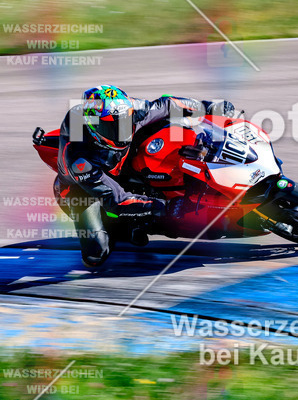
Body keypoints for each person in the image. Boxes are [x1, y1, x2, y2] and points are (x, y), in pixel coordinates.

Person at [53, 85, 235, 267]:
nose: (121, 130)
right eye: (112, 127)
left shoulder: (131, 110)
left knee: (169, 124)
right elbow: (117, 200)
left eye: (123, 121)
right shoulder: (79, 159)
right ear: (92, 125)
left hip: (117, 161)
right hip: (81, 187)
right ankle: (122, 226)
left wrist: (210, 107)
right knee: (96, 253)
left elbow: (169, 103)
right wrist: (166, 207)